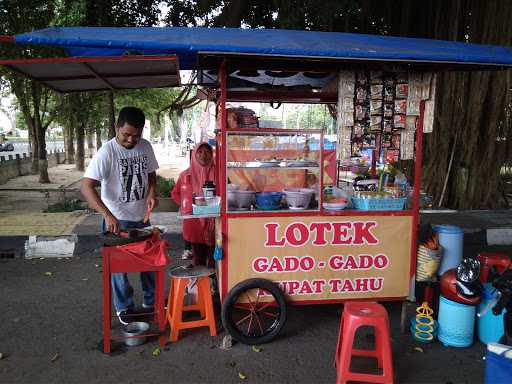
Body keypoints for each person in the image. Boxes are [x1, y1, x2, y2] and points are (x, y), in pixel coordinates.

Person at [80, 106, 159, 325]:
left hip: (142, 217)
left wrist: (152, 192)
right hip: (117, 221)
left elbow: (151, 173)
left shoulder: (145, 146)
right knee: (119, 269)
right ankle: (125, 308)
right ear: (117, 127)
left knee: (149, 263)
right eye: (126, 135)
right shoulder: (107, 152)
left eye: (136, 135)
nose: (131, 140)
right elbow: (86, 187)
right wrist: (107, 215)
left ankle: (150, 303)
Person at [172, 142, 216, 267]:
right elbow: (175, 194)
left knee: (216, 260)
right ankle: (200, 285)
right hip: (195, 224)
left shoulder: (219, 172)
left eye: (207, 152)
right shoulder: (185, 175)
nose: (204, 155)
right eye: (200, 152)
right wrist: (187, 205)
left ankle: (214, 286)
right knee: (199, 260)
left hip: (215, 224)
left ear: (212, 154)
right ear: (194, 155)